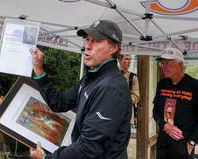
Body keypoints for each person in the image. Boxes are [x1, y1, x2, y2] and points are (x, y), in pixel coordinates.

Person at [30, 20, 132, 159]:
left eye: (96, 41)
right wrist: (39, 70)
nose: (87, 46)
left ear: (114, 48)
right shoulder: (91, 78)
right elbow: (58, 102)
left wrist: (49, 158)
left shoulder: (111, 87)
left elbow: (89, 147)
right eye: (87, 40)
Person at [153, 47, 198, 159]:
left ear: (180, 65)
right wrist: (165, 126)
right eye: (162, 63)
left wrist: (191, 143)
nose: (164, 66)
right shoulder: (162, 84)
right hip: (163, 142)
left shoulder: (194, 86)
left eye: (168, 63)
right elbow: (155, 112)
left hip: (183, 144)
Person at [118, 54, 140, 129]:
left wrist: (121, 100)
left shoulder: (133, 77)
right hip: (112, 113)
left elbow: (136, 97)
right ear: (119, 60)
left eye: (130, 59)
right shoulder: (111, 75)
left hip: (126, 115)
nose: (129, 62)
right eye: (126, 59)